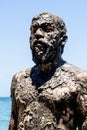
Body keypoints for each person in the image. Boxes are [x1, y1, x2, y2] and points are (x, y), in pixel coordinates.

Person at [8, 12, 87, 130]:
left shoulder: (79, 79)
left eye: (47, 29)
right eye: (33, 30)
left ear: (63, 40)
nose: (38, 34)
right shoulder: (19, 79)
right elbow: (13, 121)